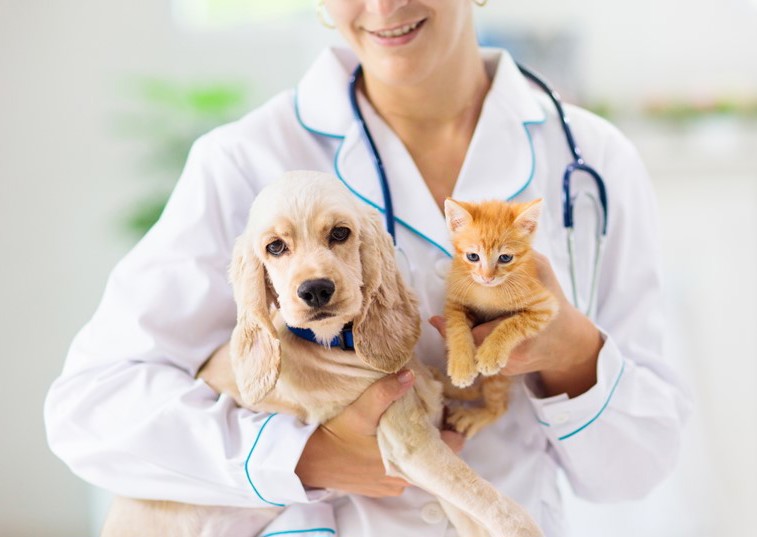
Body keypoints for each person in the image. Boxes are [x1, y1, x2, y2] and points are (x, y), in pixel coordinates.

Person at [45, 1, 691, 536]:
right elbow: (88, 411)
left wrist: (572, 349)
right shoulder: (243, 162)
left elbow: (634, 468)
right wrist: (303, 454)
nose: (383, 6)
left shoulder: (593, 161)